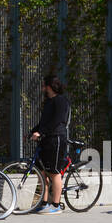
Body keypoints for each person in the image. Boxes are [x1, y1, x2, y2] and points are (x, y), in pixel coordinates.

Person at [29, 74, 71, 213]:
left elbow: (56, 121)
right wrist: (32, 132)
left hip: (56, 138)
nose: (42, 88)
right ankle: (45, 202)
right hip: (46, 139)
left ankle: (56, 205)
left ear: (49, 86)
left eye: (44, 85)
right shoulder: (48, 102)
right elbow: (43, 122)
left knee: (54, 173)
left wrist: (41, 133)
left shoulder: (61, 101)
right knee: (42, 172)